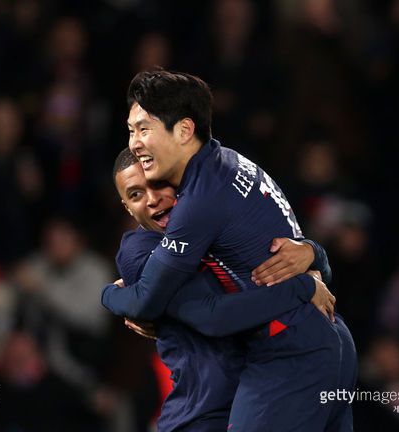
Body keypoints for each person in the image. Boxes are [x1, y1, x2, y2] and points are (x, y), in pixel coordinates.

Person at [102, 70, 357, 431]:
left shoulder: (198, 203)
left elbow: (166, 305)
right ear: (125, 208)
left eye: (144, 130)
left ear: (184, 130)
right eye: (131, 131)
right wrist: (314, 260)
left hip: (289, 352)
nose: (136, 143)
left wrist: (110, 295)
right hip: (325, 339)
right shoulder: (232, 164)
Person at [112, 147, 335, 430]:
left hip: (261, 391)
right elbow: (213, 316)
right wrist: (112, 297)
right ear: (127, 207)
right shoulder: (140, 251)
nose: (152, 199)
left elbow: (310, 269)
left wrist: (313, 252)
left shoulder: (216, 223)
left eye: (158, 184)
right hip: (201, 412)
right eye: (136, 195)